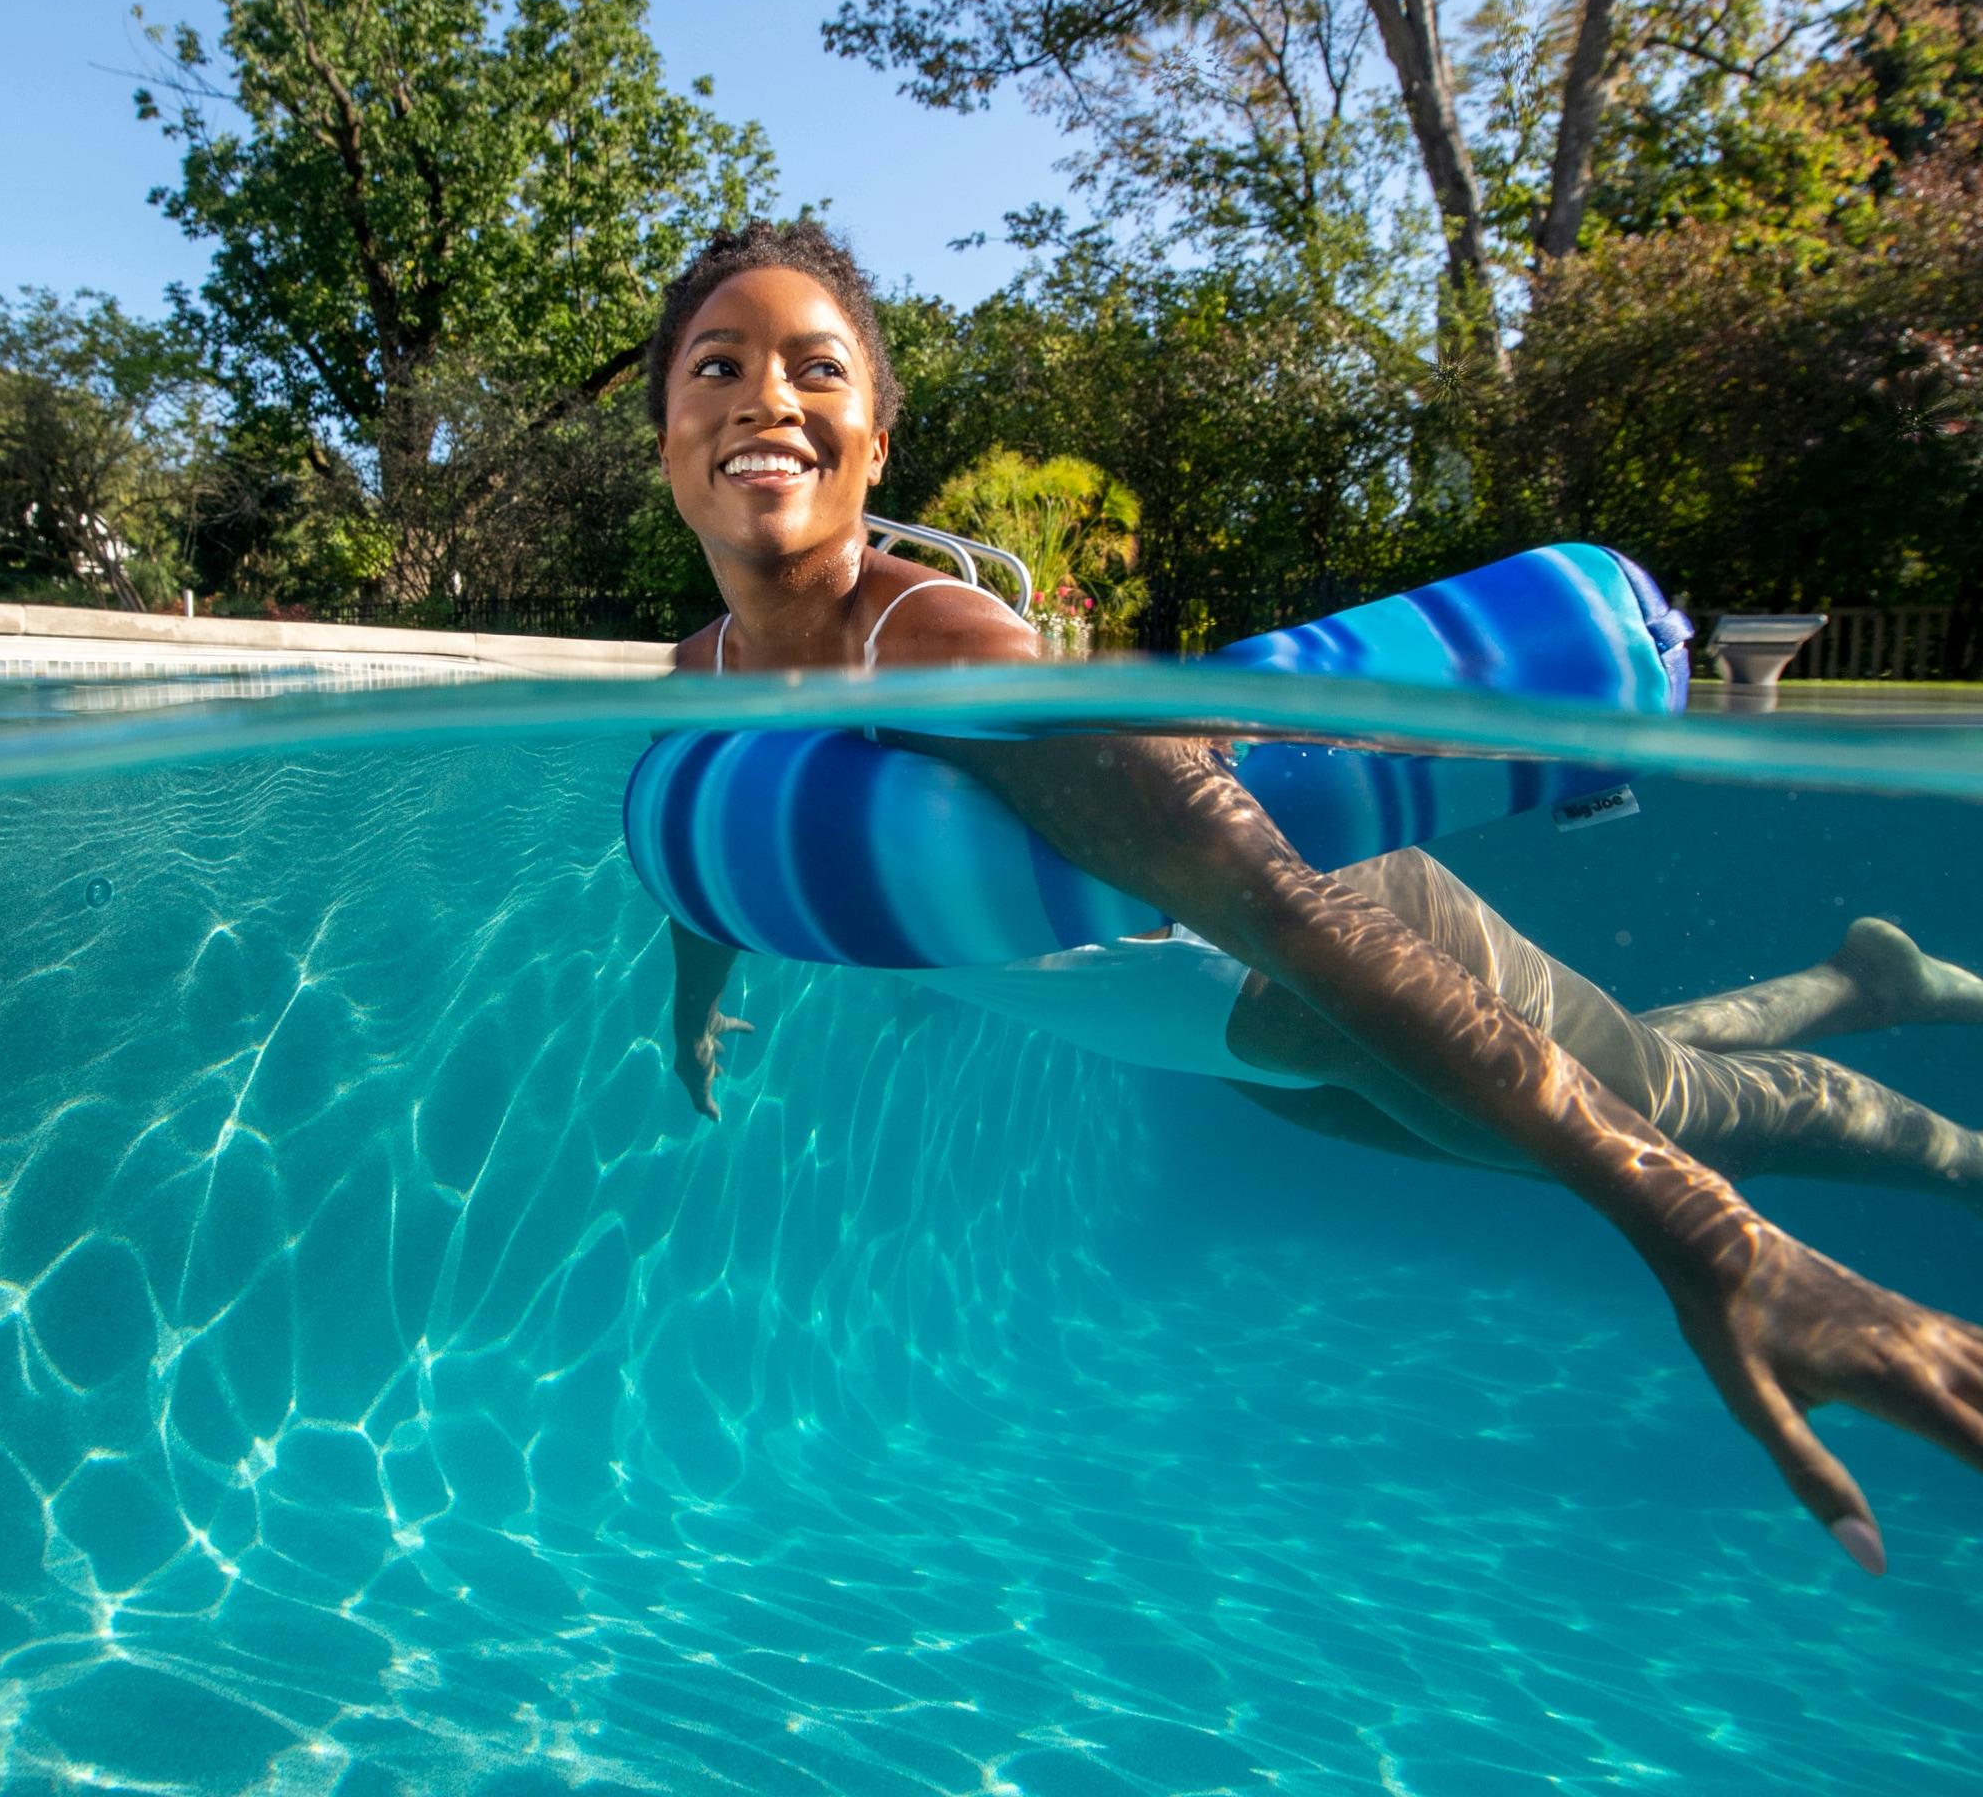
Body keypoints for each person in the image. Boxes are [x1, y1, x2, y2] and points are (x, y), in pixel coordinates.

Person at [647, 218, 1983, 1577]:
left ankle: (1956, 1152)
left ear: (874, 445)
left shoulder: (945, 649)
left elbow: (1284, 906)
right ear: (666, 445)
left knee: (1690, 1130)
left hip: (1336, 953)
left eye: (816, 368)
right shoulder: (699, 672)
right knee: (1615, 1095)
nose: (767, 397)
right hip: (1223, 1038)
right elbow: (716, 873)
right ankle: (1858, 985)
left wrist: (1713, 1245)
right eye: (719, 367)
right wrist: (695, 1008)